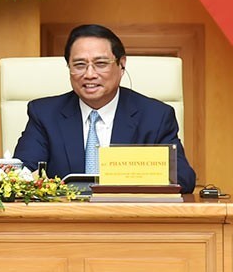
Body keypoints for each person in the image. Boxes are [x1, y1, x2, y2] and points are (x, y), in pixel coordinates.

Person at [13, 24, 197, 190]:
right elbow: (20, 175)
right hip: (64, 215)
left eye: (100, 64)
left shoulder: (155, 117)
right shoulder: (45, 115)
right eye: (79, 65)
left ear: (121, 65)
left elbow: (182, 179)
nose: (89, 74)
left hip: (130, 215)